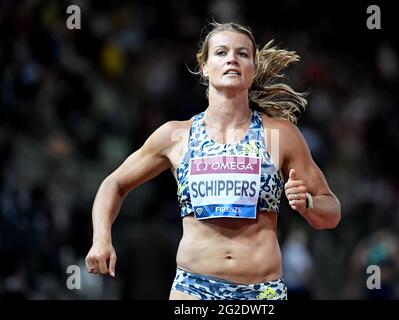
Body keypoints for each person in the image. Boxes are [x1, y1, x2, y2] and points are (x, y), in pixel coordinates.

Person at [85, 21, 341, 300]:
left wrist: (309, 203)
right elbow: (115, 183)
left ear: (253, 68)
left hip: (261, 293)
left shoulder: (279, 135)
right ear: (204, 66)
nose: (232, 58)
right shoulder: (176, 136)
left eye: (242, 53)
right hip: (193, 289)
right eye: (221, 52)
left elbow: (331, 213)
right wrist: (101, 239)